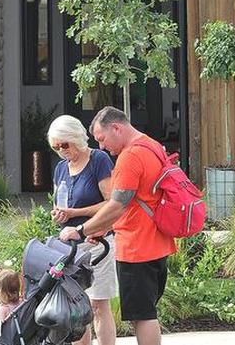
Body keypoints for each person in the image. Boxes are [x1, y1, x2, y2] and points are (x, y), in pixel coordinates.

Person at [58, 107, 177, 345]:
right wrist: (102, 228)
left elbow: (117, 204)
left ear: (116, 128)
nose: (101, 147)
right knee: (146, 311)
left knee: (142, 316)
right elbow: (138, 200)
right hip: (157, 242)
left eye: (102, 139)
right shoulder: (152, 145)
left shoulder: (130, 156)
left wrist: (82, 230)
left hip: (137, 248)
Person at [48, 114, 118, 345]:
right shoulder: (61, 168)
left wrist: (75, 214)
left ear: (76, 137)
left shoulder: (98, 160)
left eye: (64, 144)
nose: (61, 150)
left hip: (97, 242)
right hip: (69, 246)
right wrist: (59, 214)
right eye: (56, 146)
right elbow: (61, 203)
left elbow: (111, 202)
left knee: (98, 304)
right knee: (77, 307)